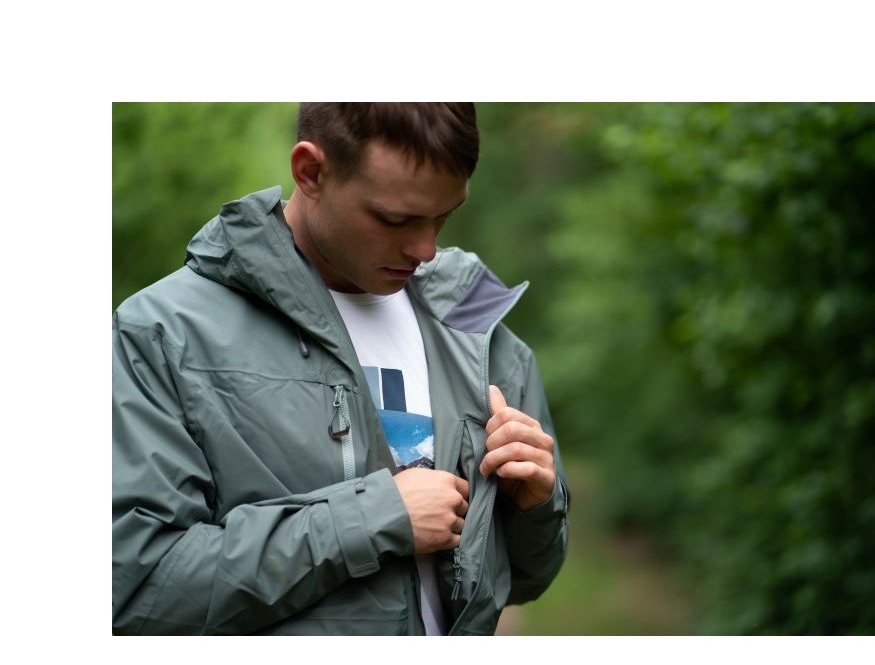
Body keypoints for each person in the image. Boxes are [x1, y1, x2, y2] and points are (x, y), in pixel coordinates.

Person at [112, 103, 569, 635]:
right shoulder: (164, 333)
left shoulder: (475, 326)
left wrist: (535, 505)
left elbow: (526, 580)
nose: (425, 249)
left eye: (443, 216)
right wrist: (373, 519)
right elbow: (136, 591)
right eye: (394, 219)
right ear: (310, 172)